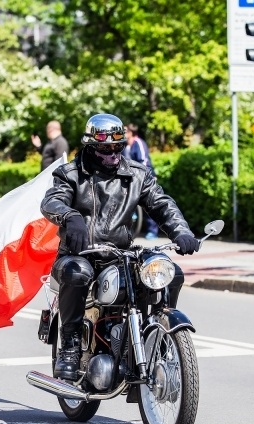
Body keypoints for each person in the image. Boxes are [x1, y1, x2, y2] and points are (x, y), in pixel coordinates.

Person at [41, 113, 201, 380]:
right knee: (76, 272)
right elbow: (52, 201)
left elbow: (162, 204)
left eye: (118, 147)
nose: (113, 154)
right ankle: (69, 346)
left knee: (169, 272)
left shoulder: (137, 174)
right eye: (105, 148)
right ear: (90, 146)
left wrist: (182, 231)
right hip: (79, 254)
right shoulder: (70, 174)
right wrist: (71, 216)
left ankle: (159, 333)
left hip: (120, 256)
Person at [124, 123, 159, 240]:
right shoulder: (124, 146)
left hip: (144, 178)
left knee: (149, 204)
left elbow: (144, 162)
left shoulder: (139, 143)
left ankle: (152, 231)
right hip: (130, 179)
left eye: (125, 131)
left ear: (130, 133)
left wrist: (144, 178)